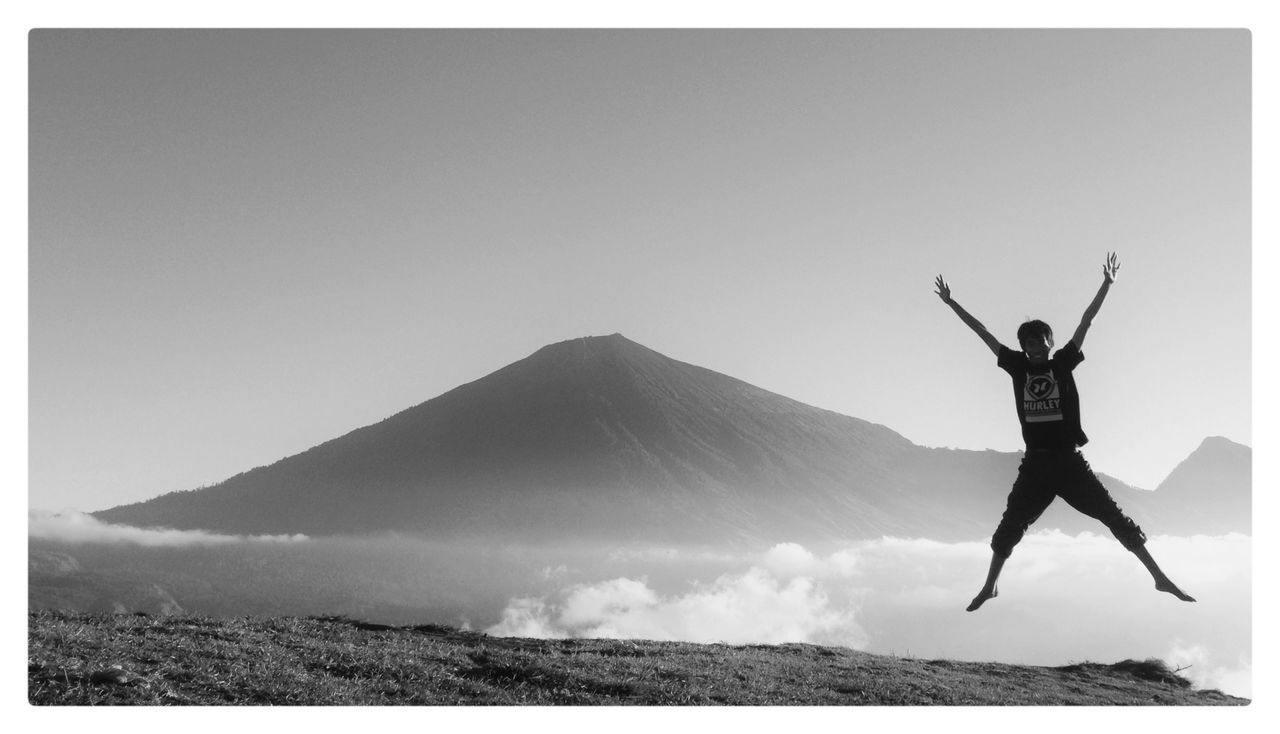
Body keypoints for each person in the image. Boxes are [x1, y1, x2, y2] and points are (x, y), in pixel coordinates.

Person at [934, 253, 1195, 612]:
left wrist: (1107, 284)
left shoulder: (1063, 363)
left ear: (1051, 343)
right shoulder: (1016, 367)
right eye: (1030, 344)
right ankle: (990, 586)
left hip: (1070, 463)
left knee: (1114, 517)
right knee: (1009, 527)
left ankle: (1159, 578)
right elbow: (982, 332)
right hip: (1036, 466)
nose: (1036, 348)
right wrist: (952, 304)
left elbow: (1087, 321)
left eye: (1042, 342)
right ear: (1023, 347)